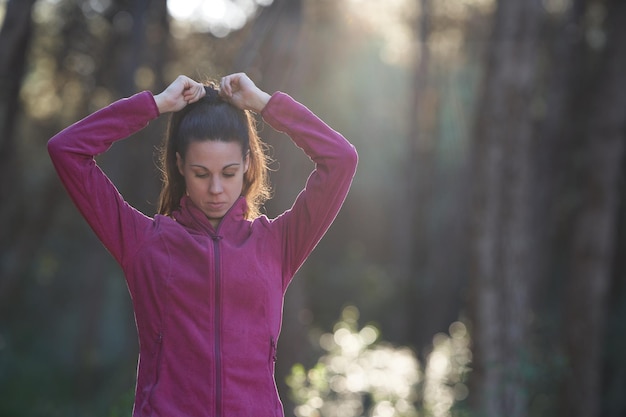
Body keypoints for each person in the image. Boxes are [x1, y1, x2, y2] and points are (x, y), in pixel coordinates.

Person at [48, 73, 358, 417]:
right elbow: (67, 150)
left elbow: (340, 158)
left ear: (247, 165)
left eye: (228, 173)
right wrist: (156, 104)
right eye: (200, 173)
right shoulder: (144, 242)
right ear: (180, 166)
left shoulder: (277, 245)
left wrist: (264, 105)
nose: (215, 189)